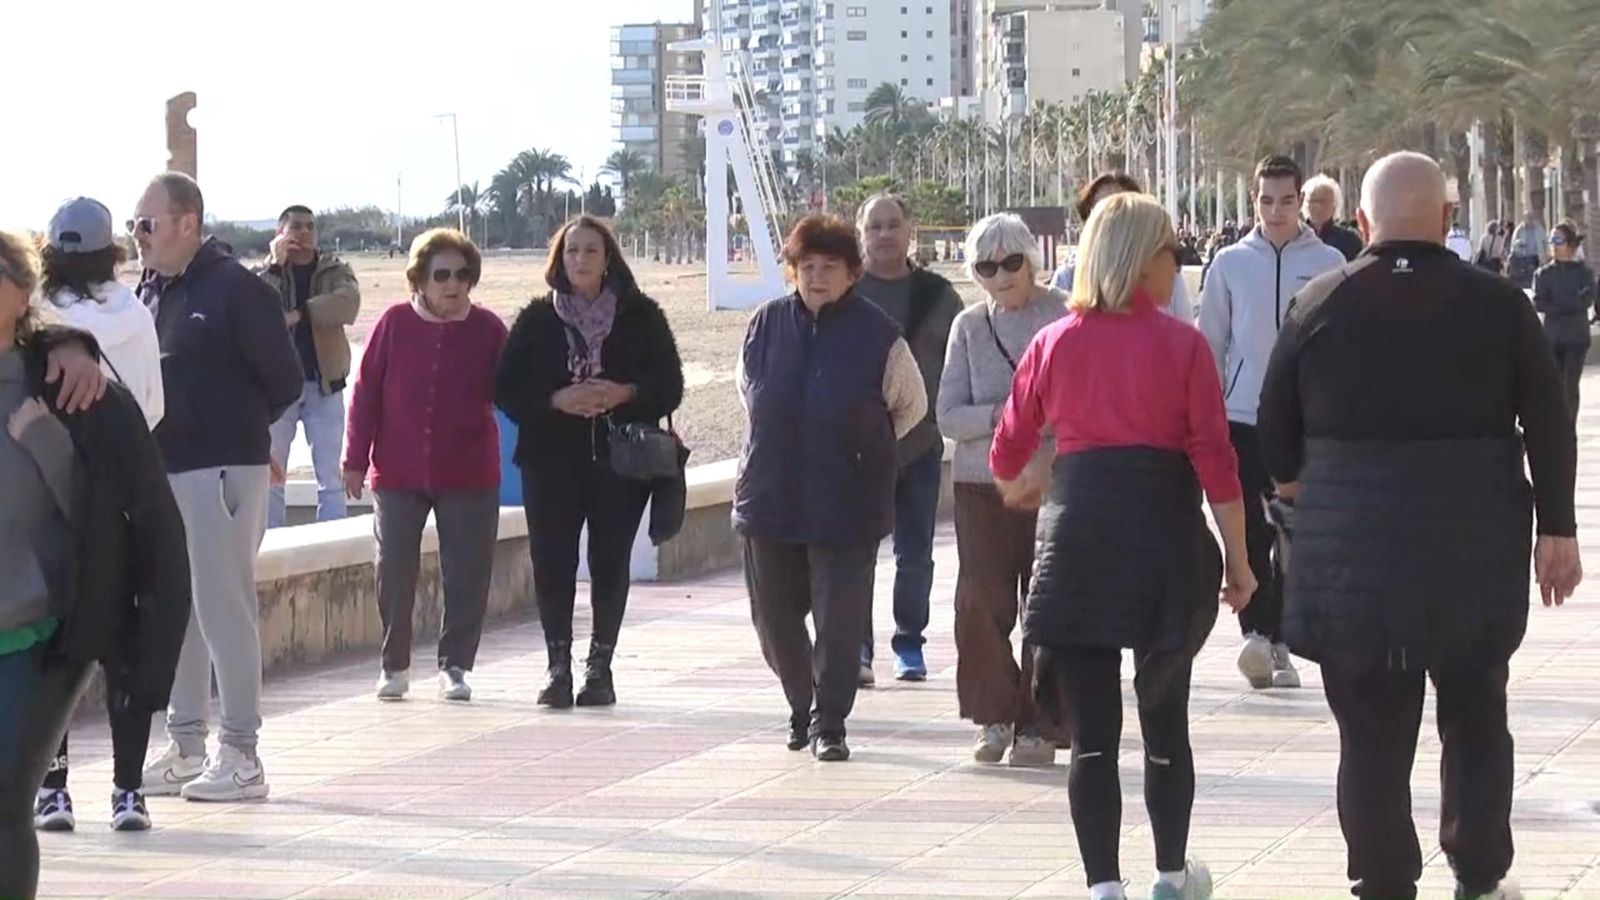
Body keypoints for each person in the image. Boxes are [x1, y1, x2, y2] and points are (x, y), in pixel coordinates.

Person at [1257, 151, 1580, 900]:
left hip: (1350, 553)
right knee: (1474, 708)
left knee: (1368, 724)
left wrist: (1308, 491)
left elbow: (1275, 428)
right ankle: (1477, 868)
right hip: (1472, 546)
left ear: (1362, 223)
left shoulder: (1318, 302)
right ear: (1446, 219)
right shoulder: (1499, 305)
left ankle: (1383, 876)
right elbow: (1549, 422)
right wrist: (1557, 530)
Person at [993, 193, 1253, 900]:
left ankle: (1104, 887)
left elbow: (1007, 450)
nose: (1178, 266)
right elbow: (1216, 461)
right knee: (1165, 718)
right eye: (1172, 251)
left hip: (1077, 539)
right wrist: (1238, 561)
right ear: (1144, 260)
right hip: (1164, 539)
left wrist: (1035, 483)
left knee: (1095, 735)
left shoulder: (1055, 342)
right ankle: (1171, 875)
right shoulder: (1184, 347)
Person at [0, 229, 189, 896]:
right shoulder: (63, 351)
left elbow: (113, 512)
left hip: (39, 634)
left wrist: (45, 439)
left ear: (22, 291)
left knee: (3, 804)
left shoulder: (64, 386)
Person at [132, 172, 303, 803]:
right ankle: (186, 746)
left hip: (223, 472)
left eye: (148, 224)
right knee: (181, 610)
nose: (139, 237)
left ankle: (242, 753)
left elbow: (285, 381)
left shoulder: (236, 290)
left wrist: (242, 438)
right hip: (167, 473)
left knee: (224, 608)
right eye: (134, 226)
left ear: (188, 223)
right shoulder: (151, 290)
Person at [735, 214, 927, 762]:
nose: (817, 277)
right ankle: (801, 703)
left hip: (848, 500)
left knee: (839, 620)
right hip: (770, 494)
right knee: (773, 618)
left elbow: (910, 406)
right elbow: (749, 395)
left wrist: (864, 448)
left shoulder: (878, 334)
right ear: (792, 271)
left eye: (830, 268)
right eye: (807, 267)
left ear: (851, 274)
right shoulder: (764, 324)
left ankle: (830, 721)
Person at [494, 216, 683, 709]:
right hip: (549, 458)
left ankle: (601, 665)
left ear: (608, 259)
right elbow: (505, 388)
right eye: (572, 251)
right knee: (553, 561)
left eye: (591, 251)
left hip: (619, 460)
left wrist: (623, 392)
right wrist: (557, 399)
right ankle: (557, 664)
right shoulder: (537, 320)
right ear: (559, 260)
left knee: (609, 559)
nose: (580, 260)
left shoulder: (641, 316)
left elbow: (669, 384)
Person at [34, 198, 168, 833]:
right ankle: (127, 792)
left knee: (51, 646)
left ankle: (52, 789)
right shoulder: (136, 315)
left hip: (50, 501)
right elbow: (152, 409)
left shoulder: (37, 319)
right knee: (123, 642)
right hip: (118, 499)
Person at [1198, 155, 1345, 692]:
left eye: (1286, 200)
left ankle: (1283, 639)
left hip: (1305, 424)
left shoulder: (1329, 260)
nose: (1275, 211)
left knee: (1294, 531)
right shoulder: (1229, 264)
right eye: (1265, 200)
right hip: (1240, 418)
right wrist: (1209, 410)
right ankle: (1257, 634)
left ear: (1300, 200)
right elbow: (1211, 344)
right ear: (1253, 200)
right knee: (1250, 528)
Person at [344, 229, 506, 702]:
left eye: (462, 275)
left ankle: (455, 664)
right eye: (442, 275)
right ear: (419, 279)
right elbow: (365, 395)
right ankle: (394, 664)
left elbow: (515, 388)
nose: (453, 285)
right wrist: (354, 460)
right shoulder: (393, 323)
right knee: (393, 567)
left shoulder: (489, 329)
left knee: (468, 570)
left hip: (470, 472)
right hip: (397, 473)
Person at [938, 213, 1066, 767]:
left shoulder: (1062, 312)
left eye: (1011, 262)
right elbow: (947, 414)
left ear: (1030, 259)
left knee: (1048, 603)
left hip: (1053, 480)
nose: (1002, 275)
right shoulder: (968, 325)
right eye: (986, 266)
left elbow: (1078, 396)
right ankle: (993, 715)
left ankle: (1041, 721)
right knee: (981, 602)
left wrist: (1043, 429)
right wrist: (1005, 415)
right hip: (980, 483)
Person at [854, 194, 963, 684]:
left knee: (914, 552)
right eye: (874, 226)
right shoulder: (845, 293)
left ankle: (909, 643)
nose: (884, 234)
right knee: (854, 553)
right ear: (860, 234)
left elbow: (960, 366)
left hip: (921, 446)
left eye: (893, 224)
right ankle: (856, 648)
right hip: (856, 451)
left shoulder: (940, 296)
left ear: (910, 230)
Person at [257, 205, 360, 529]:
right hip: (276, 389)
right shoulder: (264, 273)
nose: (304, 233)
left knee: (329, 477)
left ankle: (332, 542)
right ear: (280, 234)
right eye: (296, 227)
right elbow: (253, 308)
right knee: (272, 474)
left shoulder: (334, 269)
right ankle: (272, 542)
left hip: (323, 384)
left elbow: (347, 304)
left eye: (310, 227)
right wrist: (275, 265)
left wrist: (301, 313)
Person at [1053, 173, 1194, 321]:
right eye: (1102, 211)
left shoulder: (1166, 275)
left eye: (1123, 211)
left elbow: (1186, 328)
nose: (1114, 222)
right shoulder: (1067, 278)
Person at [1532, 220, 1597, 419]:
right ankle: (1557, 427)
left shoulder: (1584, 274)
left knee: (1570, 386)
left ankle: (1569, 428)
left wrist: (1559, 305)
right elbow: (1539, 302)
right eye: (1551, 240)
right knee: (1555, 386)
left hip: (1576, 338)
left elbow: (1586, 299)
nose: (1553, 244)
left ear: (1570, 244)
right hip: (1553, 337)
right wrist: (1568, 304)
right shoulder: (1543, 274)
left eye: (1558, 240)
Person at [1302, 174, 1364, 262]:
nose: (1316, 206)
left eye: (1322, 201)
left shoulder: (1349, 240)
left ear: (1334, 206)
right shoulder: (1294, 237)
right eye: (1311, 201)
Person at [1508, 209, 1549, 289]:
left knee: (1535, 275)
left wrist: (1545, 255)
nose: (1530, 220)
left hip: (1536, 256)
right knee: (1526, 277)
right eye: (1528, 218)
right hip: (1524, 256)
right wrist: (1519, 245)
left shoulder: (1539, 228)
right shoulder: (1519, 229)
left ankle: (1534, 287)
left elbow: (1545, 242)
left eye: (1531, 218)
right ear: (1524, 219)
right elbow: (1513, 244)